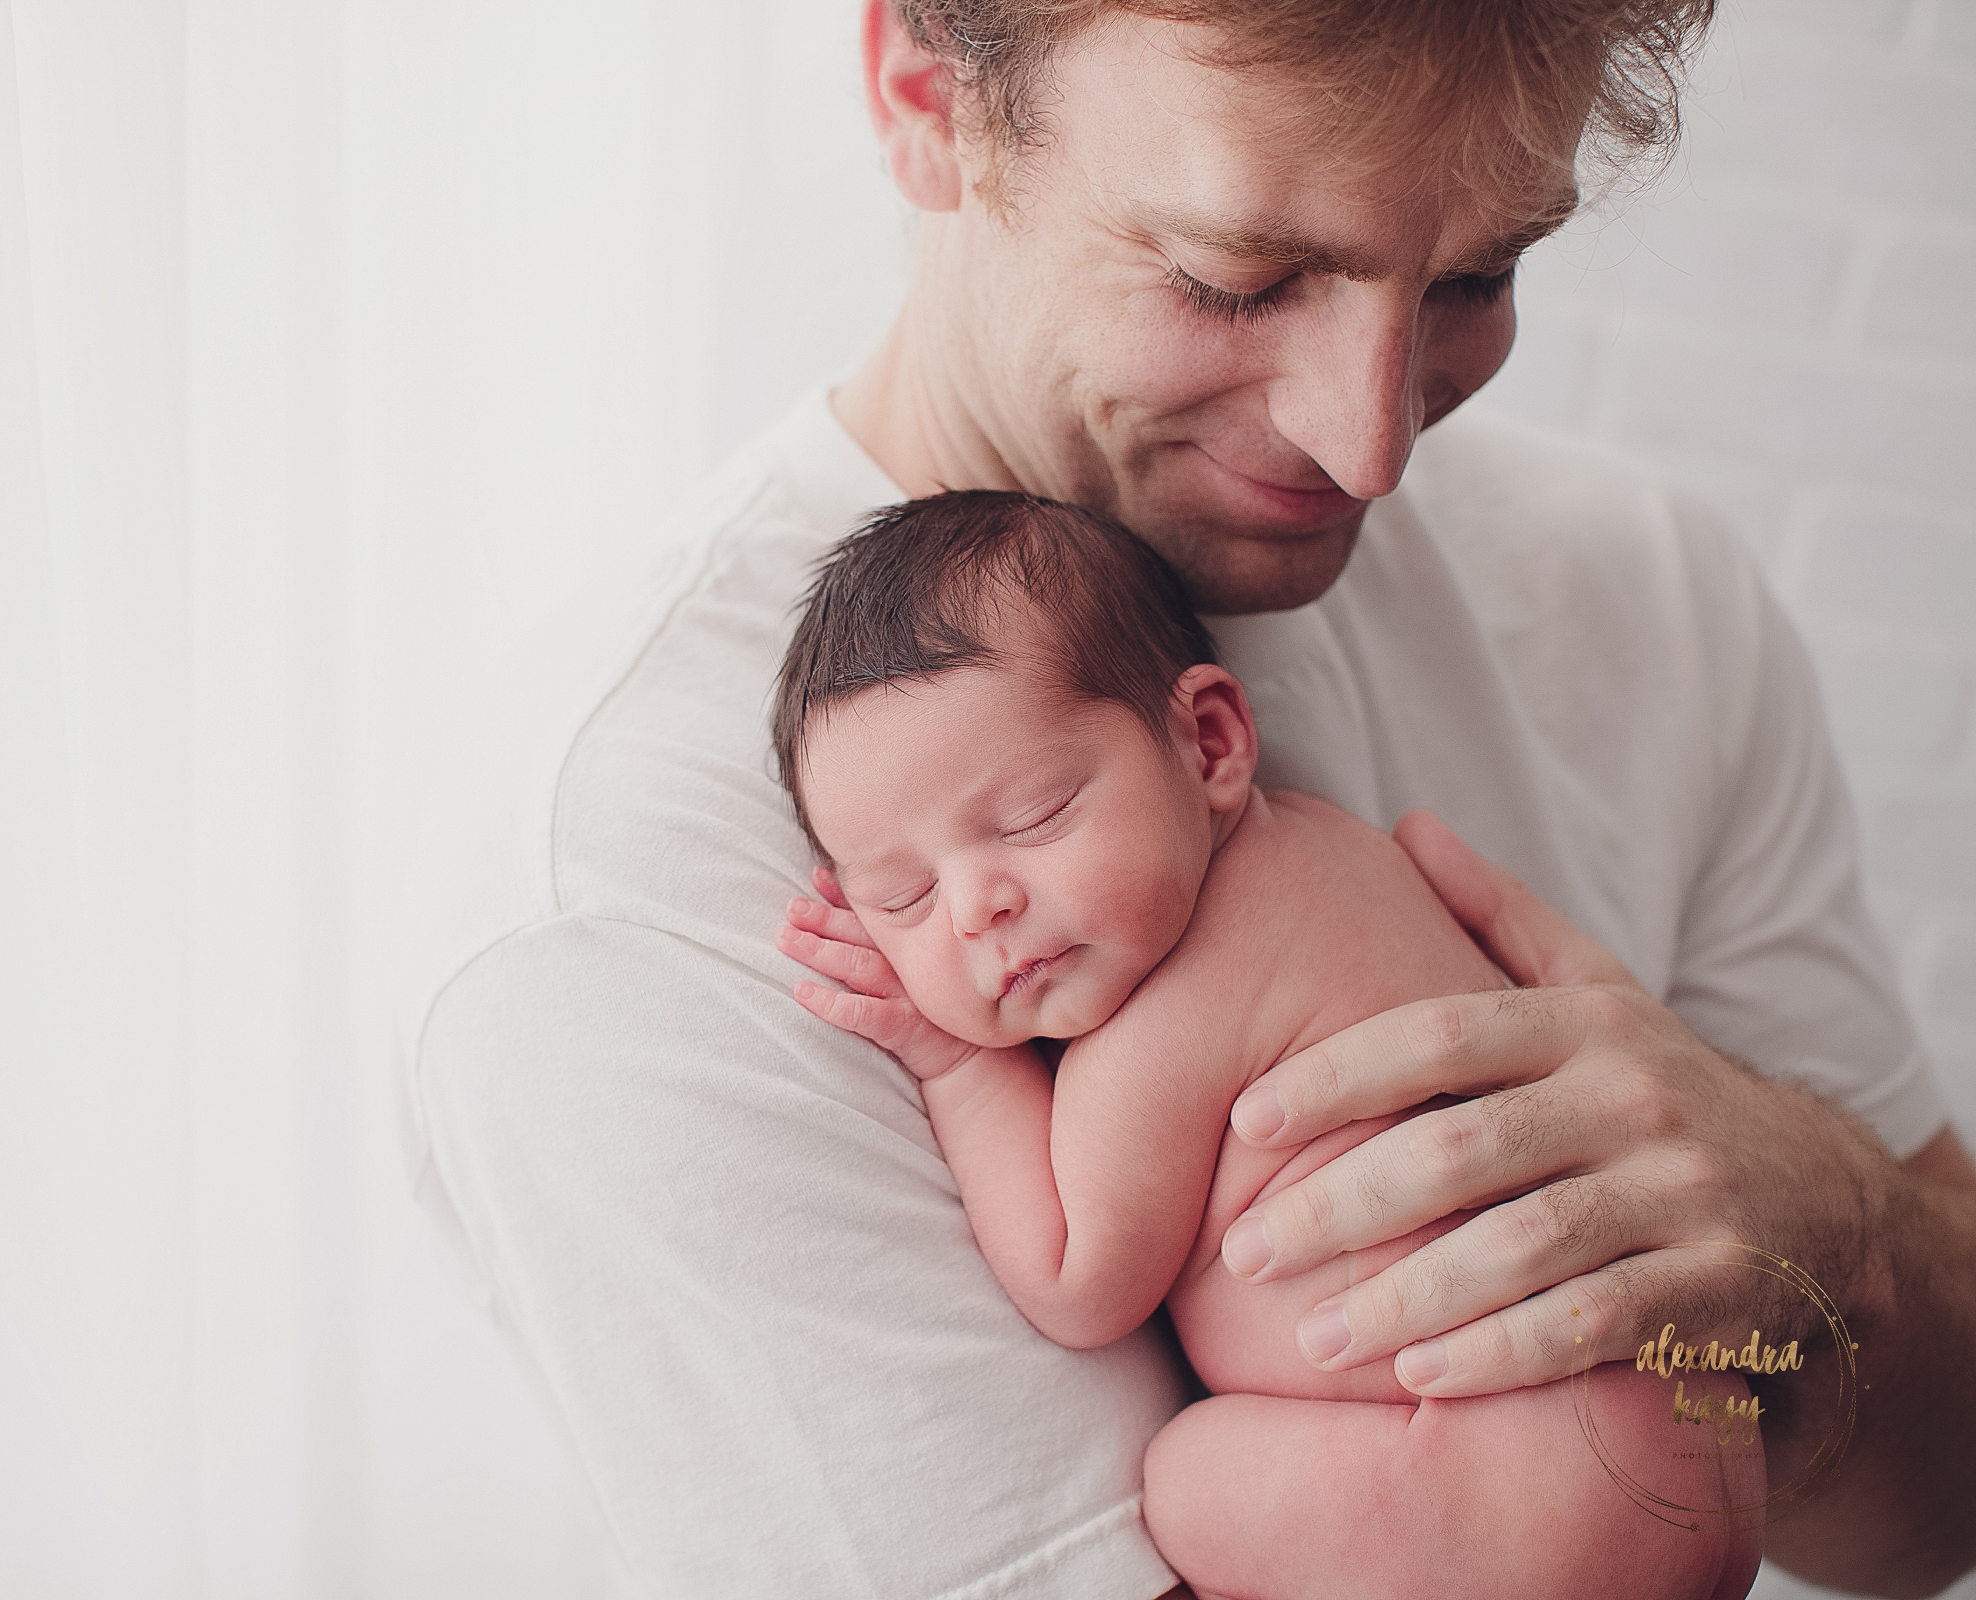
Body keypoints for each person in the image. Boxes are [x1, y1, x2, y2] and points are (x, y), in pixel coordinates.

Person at [403, 3, 1976, 1595]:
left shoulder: (1649, 594)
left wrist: (1826, 1249)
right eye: (1237, 277)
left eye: (1476, 279)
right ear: (925, 93)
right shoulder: (631, 886)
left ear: (1208, 740)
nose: (1367, 445)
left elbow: (1944, 1517)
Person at [772, 489, 1761, 1600]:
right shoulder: (1347, 848)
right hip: (1704, 1428)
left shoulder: (1157, 1029)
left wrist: (955, 1061)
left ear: (1209, 743)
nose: (976, 909)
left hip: (1511, 1490)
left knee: (1184, 1474)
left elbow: (1075, 1281)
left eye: (1035, 816)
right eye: (903, 898)